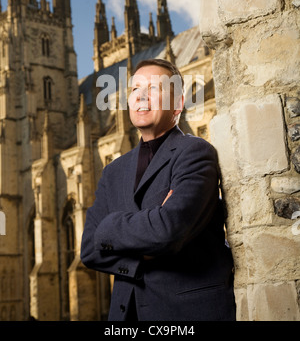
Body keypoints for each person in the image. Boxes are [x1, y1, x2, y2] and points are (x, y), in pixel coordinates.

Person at [80, 58, 236, 321]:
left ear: (177, 104)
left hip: (187, 315)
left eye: (153, 89)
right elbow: (89, 250)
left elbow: (168, 231)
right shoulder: (113, 171)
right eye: (135, 90)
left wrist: (109, 228)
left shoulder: (195, 152)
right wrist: (149, 240)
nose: (141, 97)